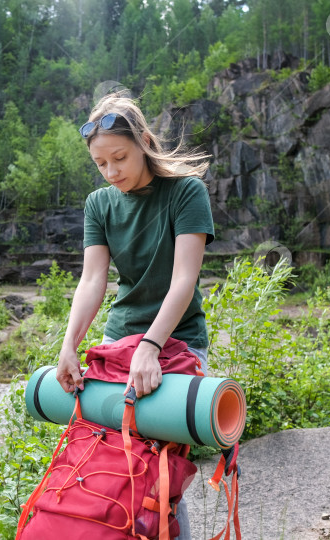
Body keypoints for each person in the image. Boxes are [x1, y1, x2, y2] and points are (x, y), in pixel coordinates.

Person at [55, 92, 215, 540]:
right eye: (101, 164)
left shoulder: (186, 192)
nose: (112, 172)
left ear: (144, 141)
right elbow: (92, 282)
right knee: (112, 460)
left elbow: (184, 280)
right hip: (120, 340)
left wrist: (152, 346)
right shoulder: (99, 205)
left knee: (161, 464)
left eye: (120, 158)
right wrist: (69, 346)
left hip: (177, 341)